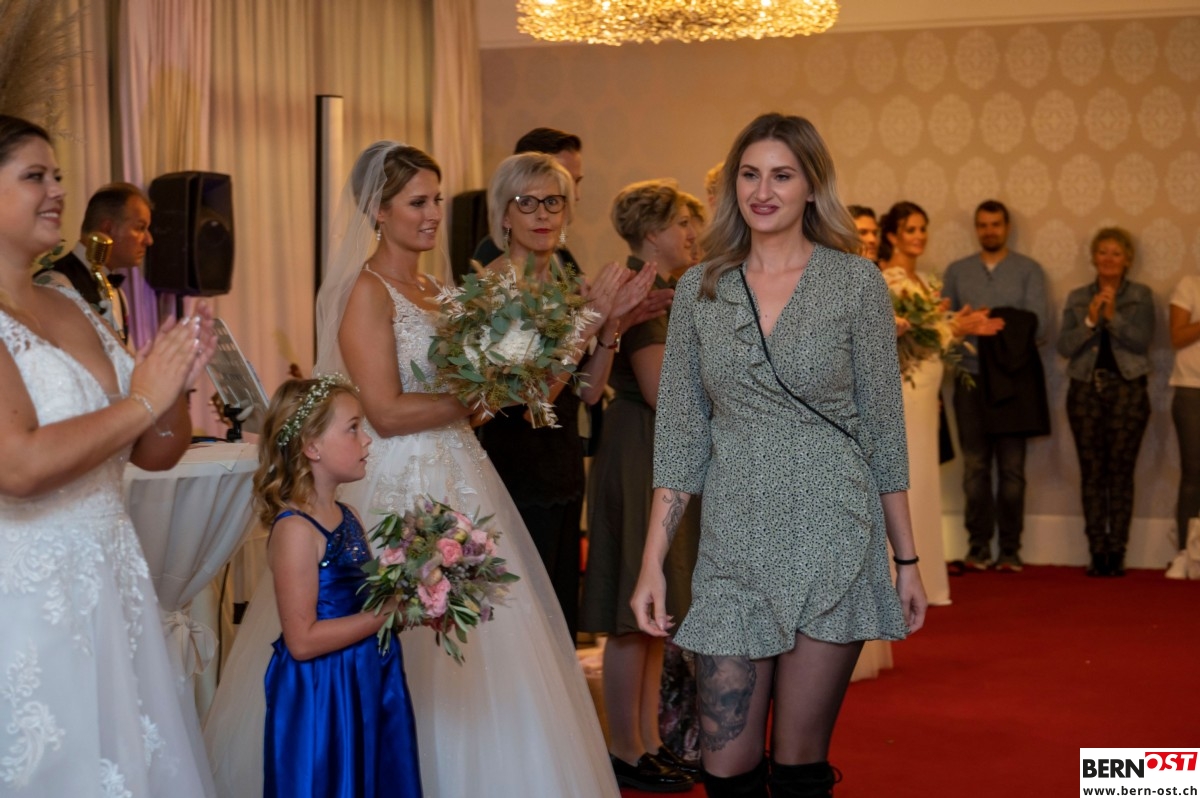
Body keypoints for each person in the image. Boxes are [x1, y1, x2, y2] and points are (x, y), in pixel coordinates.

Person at [205, 142, 620, 797]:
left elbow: (490, 402)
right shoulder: (364, 291)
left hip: (461, 468)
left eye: (436, 199)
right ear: (378, 209)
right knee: (404, 629)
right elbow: (386, 411)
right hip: (393, 475)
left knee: (483, 637)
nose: (432, 215)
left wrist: (524, 368)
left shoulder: (443, 293)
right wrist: (480, 397)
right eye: (417, 202)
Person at [631, 113, 927, 798]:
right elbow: (680, 437)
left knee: (798, 766)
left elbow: (884, 433)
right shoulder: (701, 289)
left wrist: (907, 561)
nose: (763, 192)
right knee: (725, 767)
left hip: (834, 535)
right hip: (733, 543)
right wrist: (652, 562)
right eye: (750, 174)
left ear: (812, 186)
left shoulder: (855, 284)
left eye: (782, 176)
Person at [0, 114, 216, 796]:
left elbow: (155, 451)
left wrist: (172, 382)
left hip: (110, 580)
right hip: (26, 596)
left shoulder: (71, 305)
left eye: (58, 175)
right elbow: (18, 467)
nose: (58, 191)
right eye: (35, 176)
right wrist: (143, 400)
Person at [475, 152, 656, 640]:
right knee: (524, 627)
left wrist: (612, 327)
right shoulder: (494, 287)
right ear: (504, 214)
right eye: (527, 202)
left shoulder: (567, 282)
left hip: (563, 466)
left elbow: (589, 392)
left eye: (553, 202)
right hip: (513, 469)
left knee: (558, 624)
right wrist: (586, 324)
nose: (542, 215)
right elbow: (531, 401)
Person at [580, 180, 703, 792]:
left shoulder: (664, 287)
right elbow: (659, 390)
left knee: (658, 611)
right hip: (640, 447)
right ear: (652, 232)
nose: (692, 234)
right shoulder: (640, 290)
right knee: (633, 608)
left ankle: (650, 739)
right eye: (682, 222)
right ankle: (623, 747)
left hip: (659, 445)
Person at [255, 376, 421, 797]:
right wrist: (384, 614)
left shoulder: (348, 516)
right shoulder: (296, 530)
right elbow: (302, 641)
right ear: (312, 447)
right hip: (324, 689)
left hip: (366, 675)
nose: (367, 440)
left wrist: (418, 594)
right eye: (353, 428)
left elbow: (367, 602)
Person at [877, 201, 1002, 606]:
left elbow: (926, 334)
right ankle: (895, 573)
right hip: (905, 388)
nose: (919, 237)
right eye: (910, 230)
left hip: (926, 388)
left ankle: (925, 574)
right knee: (906, 477)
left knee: (924, 477)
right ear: (892, 235)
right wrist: (953, 327)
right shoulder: (890, 279)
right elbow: (904, 336)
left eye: (922, 229)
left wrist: (954, 325)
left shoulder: (920, 281)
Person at [943, 200, 1050, 572]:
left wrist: (985, 319)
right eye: (983, 225)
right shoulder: (957, 271)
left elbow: (1039, 325)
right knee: (975, 468)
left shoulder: (1029, 270)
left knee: (1012, 470)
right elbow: (944, 325)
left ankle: (1009, 549)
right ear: (977, 228)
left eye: (995, 224)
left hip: (1014, 383)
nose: (989, 231)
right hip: (969, 380)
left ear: (1007, 227)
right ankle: (978, 548)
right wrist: (978, 323)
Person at [1057, 227, 1154, 577]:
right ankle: (1097, 550)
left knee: (1121, 474)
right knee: (1092, 473)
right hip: (1085, 390)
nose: (1108, 259)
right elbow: (1064, 346)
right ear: (1093, 257)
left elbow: (1142, 340)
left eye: (1116, 253)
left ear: (1127, 259)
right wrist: (1090, 320)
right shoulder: (1078, 296)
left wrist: (1113, 318)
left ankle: (1118, 550)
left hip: (1128, 391)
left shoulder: (1141, 295)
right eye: (1102, 252)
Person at [35, 181, 153, 344]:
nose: (149, 240)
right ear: (107, 229)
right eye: (140, 228)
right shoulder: (55, 285)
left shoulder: (118, 294)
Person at [471, 127, 585, 269]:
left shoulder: (560, 254)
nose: (575, 195)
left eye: (552, 200)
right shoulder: (491, 258)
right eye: (527, 202)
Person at [1168, 271, 1200, 574]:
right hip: (1192, 389)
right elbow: (1177, 337)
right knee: (1194, 474)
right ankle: (1185, 553)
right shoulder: (1190, 284)